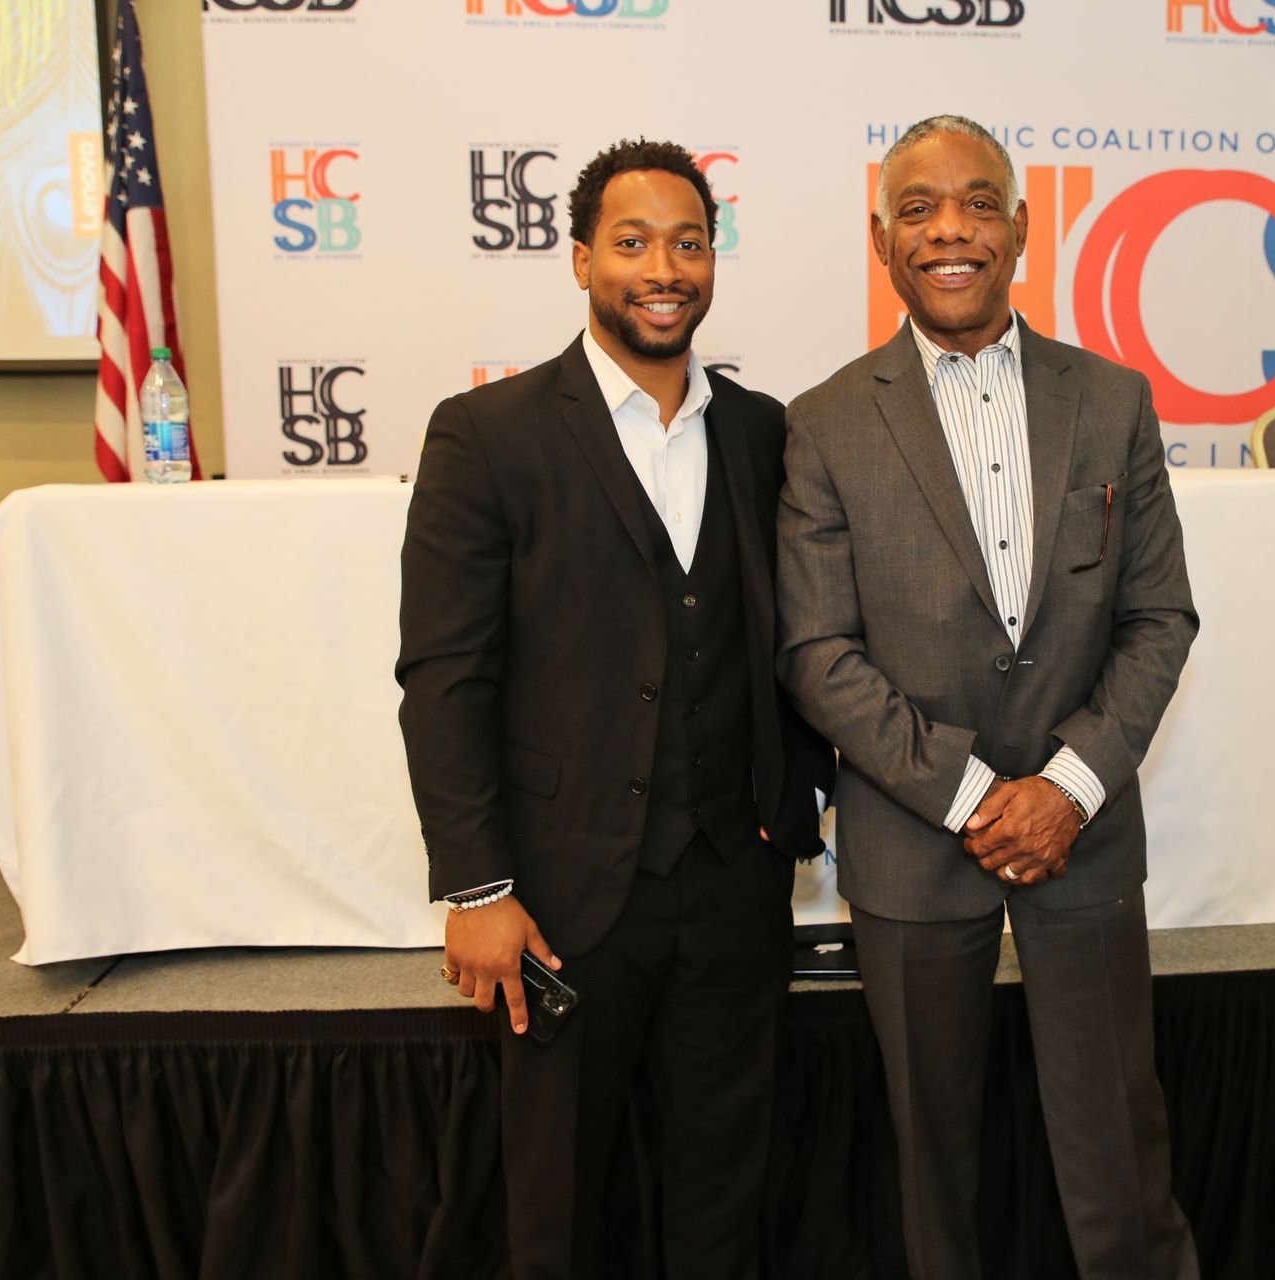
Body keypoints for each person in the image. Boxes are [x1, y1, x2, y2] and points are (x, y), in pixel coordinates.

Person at [396, 137, 833, 1280]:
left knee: (723, 1193)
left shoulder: (762, 431)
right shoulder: (485, 435)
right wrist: (478, 887)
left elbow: (788, 641)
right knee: (561, 1204)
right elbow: (445, 675)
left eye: (689, 242)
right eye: (633, 242)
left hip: (733, 886)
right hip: (560, 898)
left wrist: (784, 813)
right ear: (581, 257)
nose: (664, 266)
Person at [776, 114, 1201, 1280]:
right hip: (913, 847)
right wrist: (974, 797)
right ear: (881, 240)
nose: (948, 228)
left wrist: (1063, 787)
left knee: (1120, 1142)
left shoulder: (1111, 400)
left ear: (1021, 225)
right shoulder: (821, 423)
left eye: (974, 202)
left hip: (1086, 836)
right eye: (917, 208)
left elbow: (1159, 617)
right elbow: (816, 649)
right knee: (934, 1165)